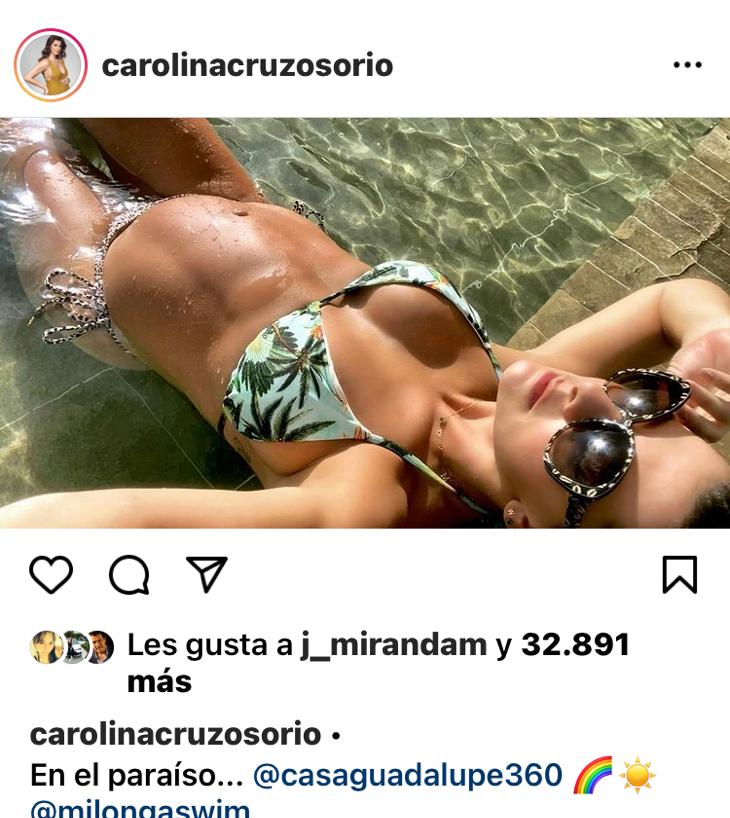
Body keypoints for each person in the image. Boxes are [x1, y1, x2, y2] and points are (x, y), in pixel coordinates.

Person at [1, 117, 729, 528]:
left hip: (95, 272)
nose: (594, 394)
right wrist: (706, 347)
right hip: (225, 198)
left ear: (528, 525)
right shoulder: (520, 381)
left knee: (23, 137)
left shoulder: (368, 497)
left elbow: (53, 529)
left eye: (597, 453)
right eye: (648, 404)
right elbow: (678, 298)